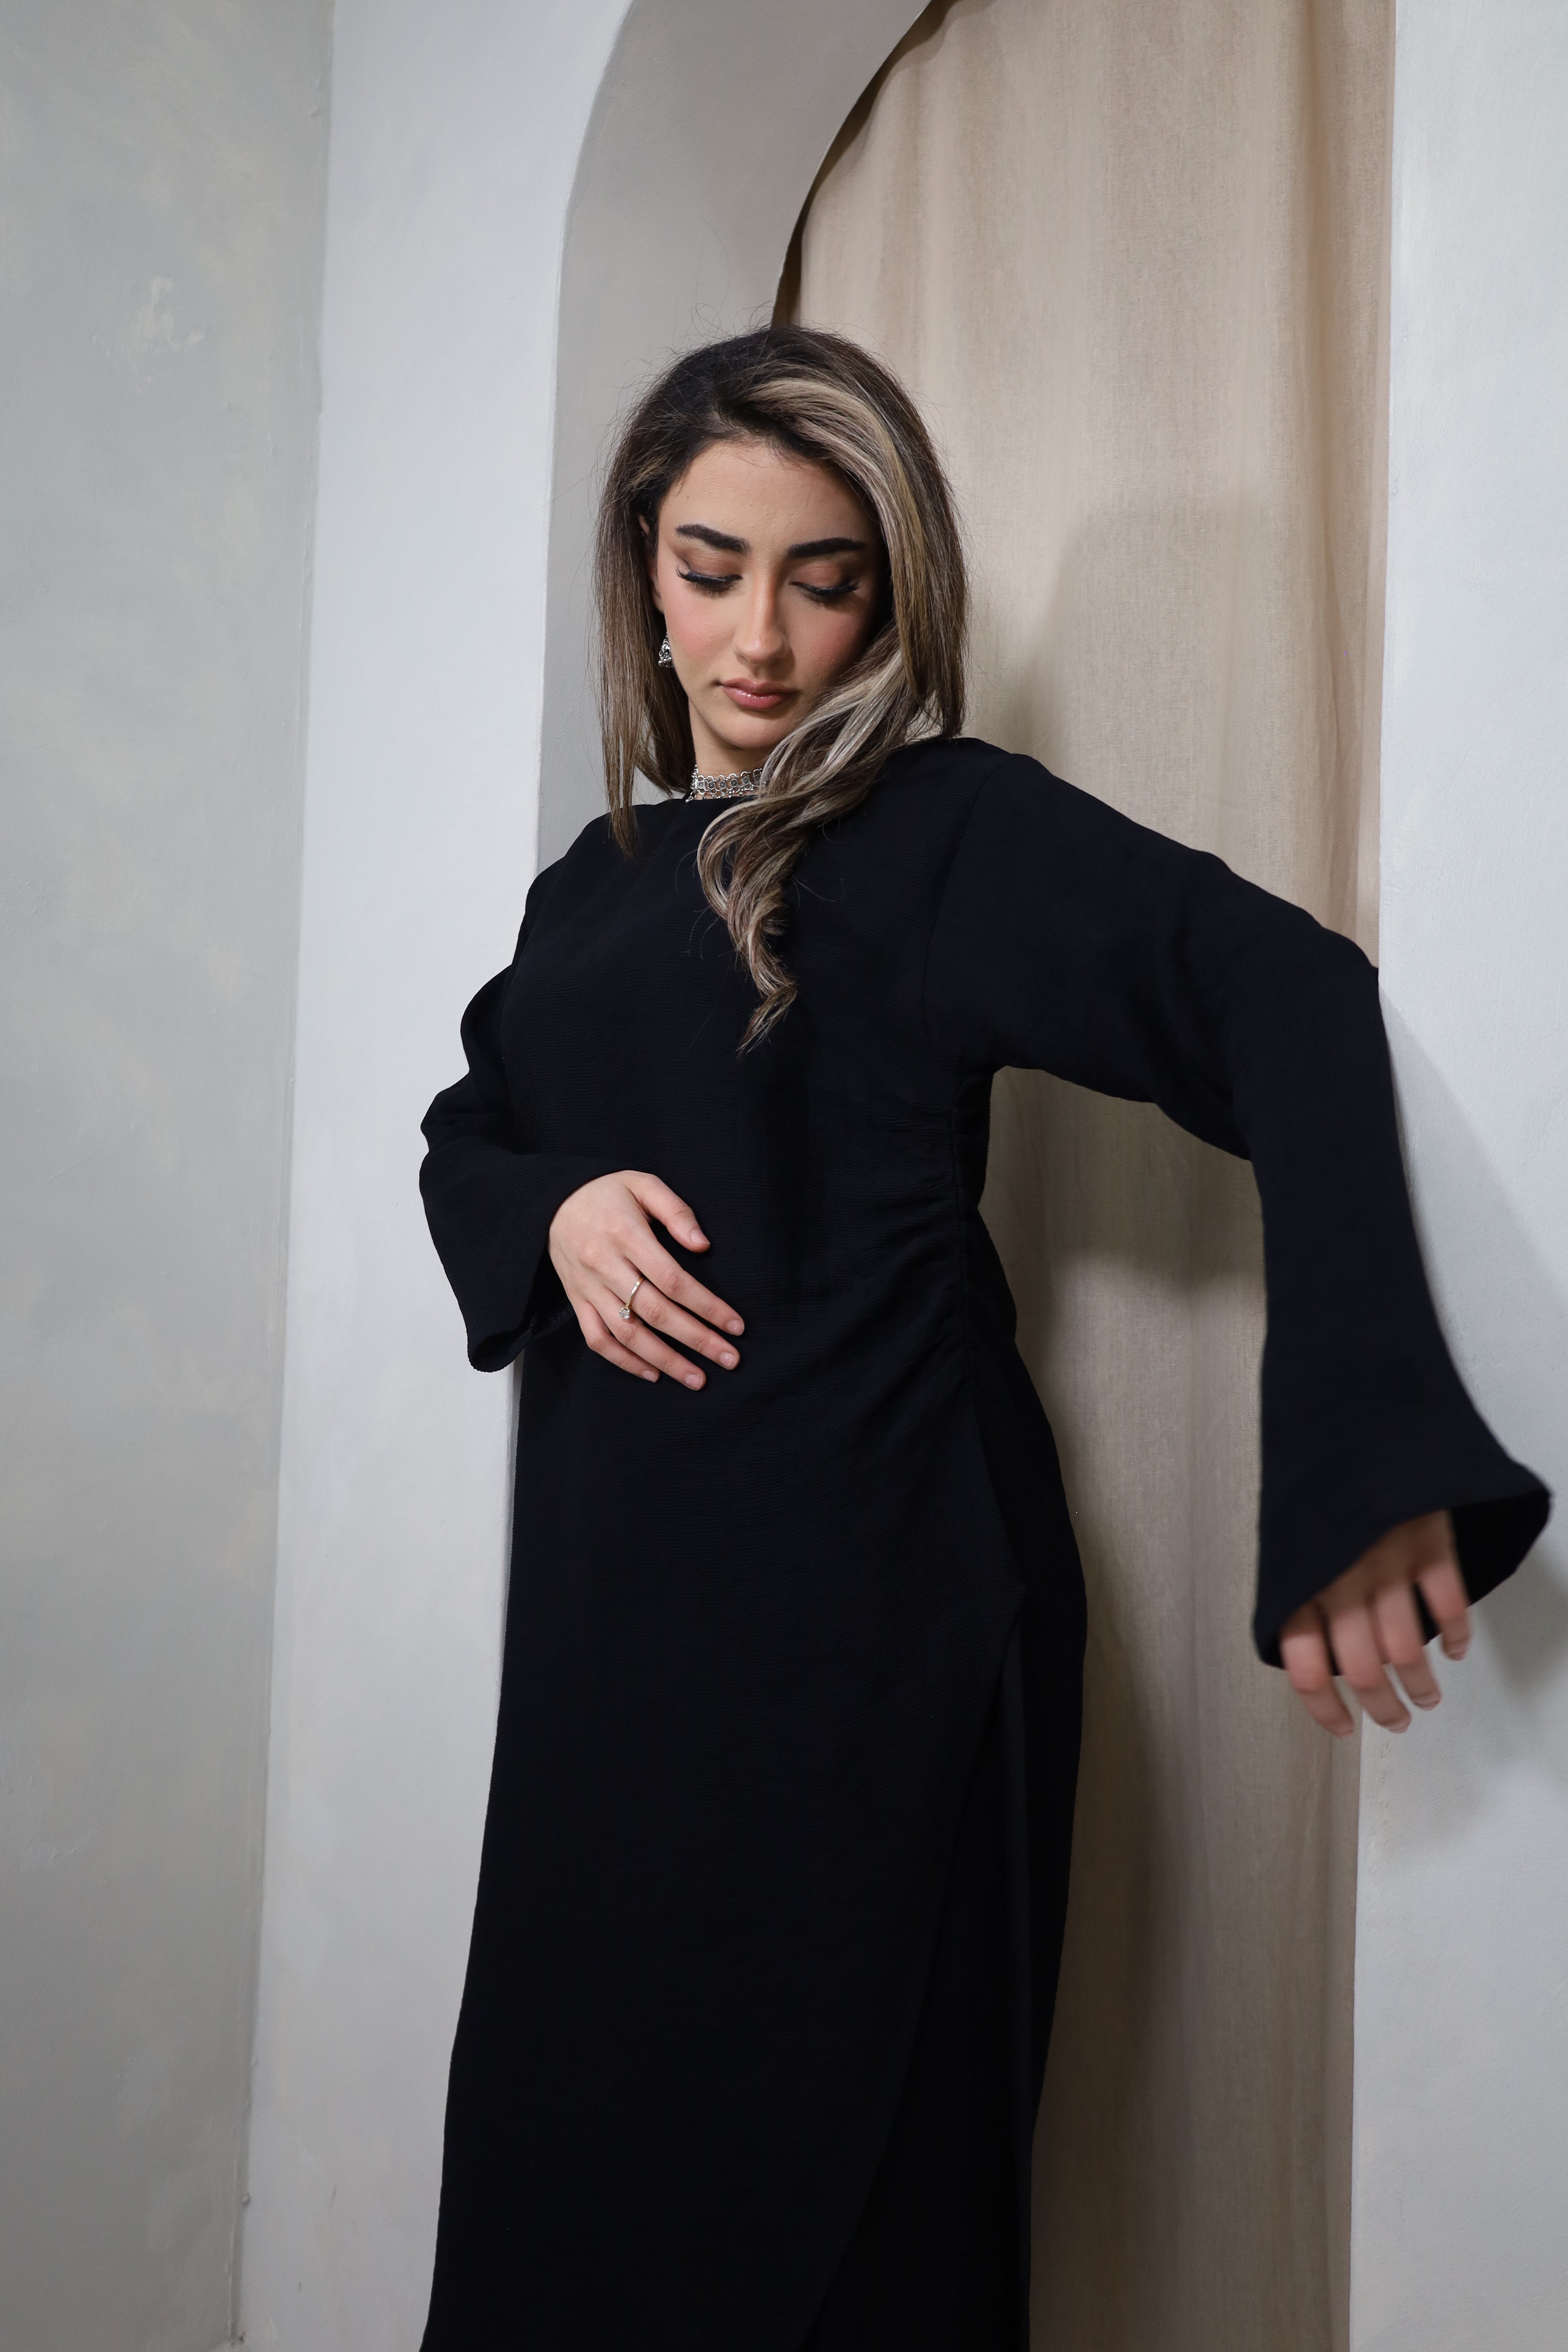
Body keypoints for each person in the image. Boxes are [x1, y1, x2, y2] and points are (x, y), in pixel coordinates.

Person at [416, 326, 1548, 2351]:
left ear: (894, 595)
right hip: (612, 1634)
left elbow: (1283, 996)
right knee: (564, 2172)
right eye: (710, 569)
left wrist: (1363, 1449)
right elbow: (470, 1131)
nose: (762, 638)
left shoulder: (939, 831)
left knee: (849, 2196)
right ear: (642, 571)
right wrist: (555, 1208)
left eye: (825, 578)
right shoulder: (588, 886)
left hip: (876, 1603)